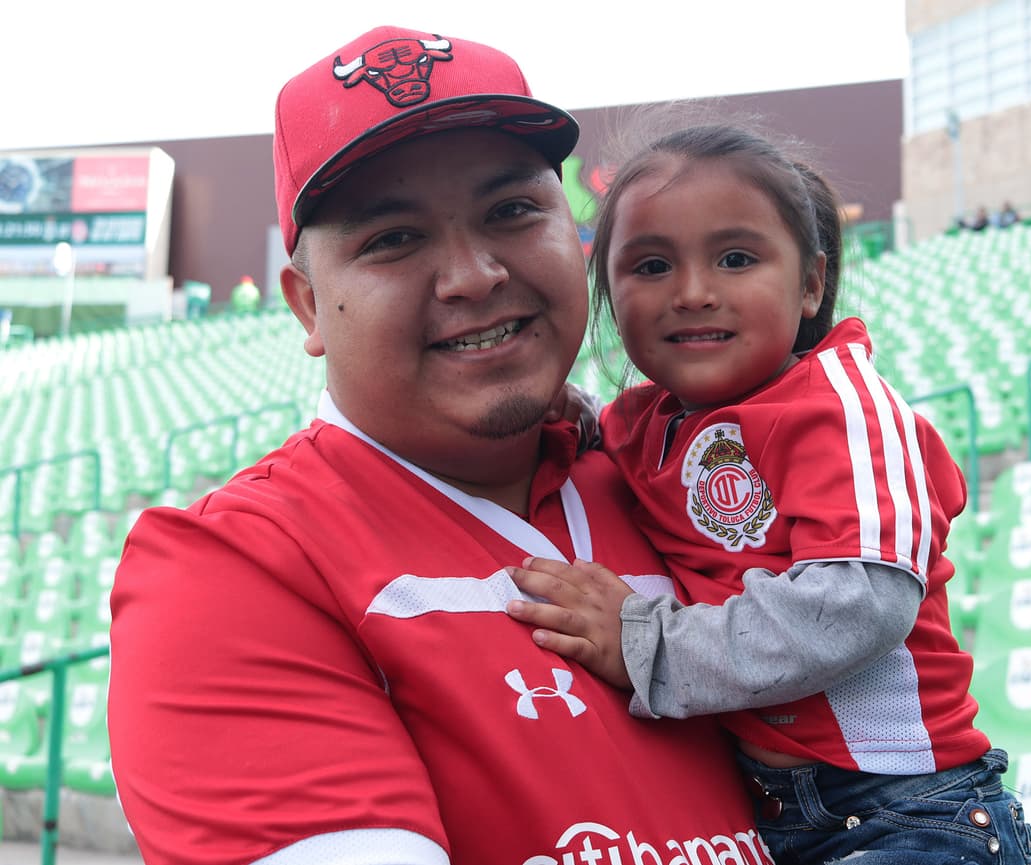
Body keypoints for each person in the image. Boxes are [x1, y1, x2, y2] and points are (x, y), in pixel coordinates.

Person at [106, 26, 767, 865]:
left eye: (512, 210)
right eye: (393, 239)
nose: (473, 274)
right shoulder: (232, 565)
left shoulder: (685, 471)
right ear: (309, 306)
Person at [505, 124, 1031, 865]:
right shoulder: (640, 423)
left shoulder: (840, 404)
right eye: (651, 265)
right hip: (762, 813)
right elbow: (603, 442)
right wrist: (561, 410)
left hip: (908, 807)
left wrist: (649, 645)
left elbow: (862, 599)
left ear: (811, 281)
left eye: (736, 258)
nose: (693, 292)